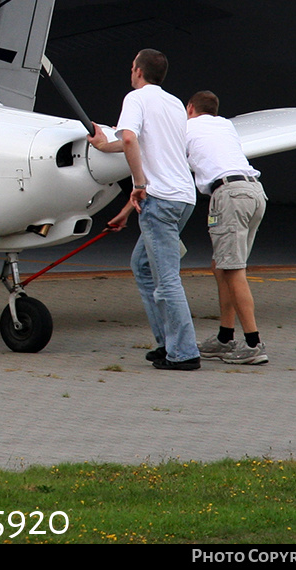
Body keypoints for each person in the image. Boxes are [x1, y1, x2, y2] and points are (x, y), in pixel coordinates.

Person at [90, 49, 201, 370]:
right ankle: (167, 343)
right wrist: (101, 145)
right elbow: (134, 140)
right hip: (183, 199)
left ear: (137, 70)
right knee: (141, 265)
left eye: (131, 66)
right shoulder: (174, 104)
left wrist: (138, 184)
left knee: (166, 279)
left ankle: (183, 353)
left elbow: (129, 140)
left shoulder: (136, 99)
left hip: (160, 199)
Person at [184, 90, 269, 365]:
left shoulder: (186, 126)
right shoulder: (225, 125)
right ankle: (224, 337)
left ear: (190, 108)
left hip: (228, 195)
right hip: (255, 193)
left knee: (233, 270)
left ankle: (254, 343)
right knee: (221, 266)